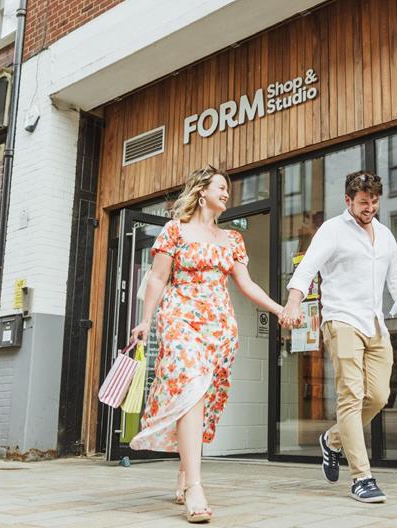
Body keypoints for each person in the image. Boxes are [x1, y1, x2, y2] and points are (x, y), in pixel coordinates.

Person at [129, 165, 290, 523]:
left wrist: (280, 310)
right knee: (190, 385)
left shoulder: (232, 239)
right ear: (202, 191)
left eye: (227, 189)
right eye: (221, 187)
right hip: (180, 317)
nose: (227, 193)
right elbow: (157, 278)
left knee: (201, 397)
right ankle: (195, 489)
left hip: (219, 326)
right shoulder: (175, 231)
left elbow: (247, 286)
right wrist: (144, 320)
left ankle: (186, 471)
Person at [279, 170, 397, 504]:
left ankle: (333, 440)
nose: (370, 208)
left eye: (375, 201)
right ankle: (361, 477)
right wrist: (292, 303)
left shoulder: (385, 235)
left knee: (377, 396)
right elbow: (305, 270)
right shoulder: (332, 230)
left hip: (375, 323)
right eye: (364, 202)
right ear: (348, 200)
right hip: (341, 319)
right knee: (351, 394)